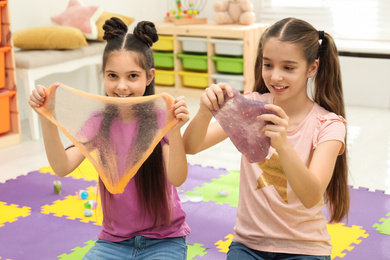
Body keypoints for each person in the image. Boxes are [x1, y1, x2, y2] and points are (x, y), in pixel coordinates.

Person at [183, 17, 349, 259]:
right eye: (268, 65)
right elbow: (191, 146)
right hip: (248, 245)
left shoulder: (329, 125)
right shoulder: (251, 107)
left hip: (304, 248)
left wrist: (282, 143)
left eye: (288, 67)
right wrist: (204, 111)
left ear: (312, 68)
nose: (275, 77)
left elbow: (311, 197)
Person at [29, 17, 190, 260]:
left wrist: (175, 128)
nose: (121, 86)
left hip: (165, 241)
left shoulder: (160, 119)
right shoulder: (98, 123)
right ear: (103, 75)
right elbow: (62, 167)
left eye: (132, 76)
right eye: (112, 76)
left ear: (149, 77)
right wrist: (47, 115)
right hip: (114, 243)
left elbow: (178, 178)